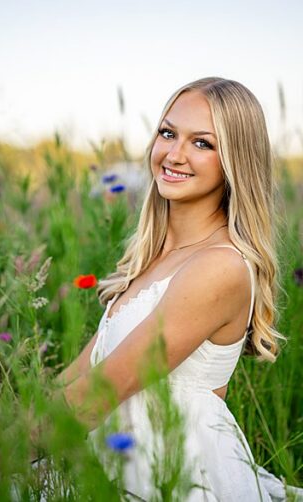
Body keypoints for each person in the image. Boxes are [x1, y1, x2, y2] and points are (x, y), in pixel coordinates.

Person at [56, 77, 301, 500]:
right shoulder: (152, 258)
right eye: (168, 133)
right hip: (115, 452)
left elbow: (97, 395)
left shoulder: (219, 266)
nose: (174, 154)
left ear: (235, 161)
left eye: (202, 143)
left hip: (173, 470)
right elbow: (80, 374)